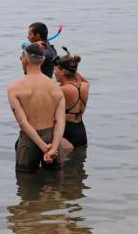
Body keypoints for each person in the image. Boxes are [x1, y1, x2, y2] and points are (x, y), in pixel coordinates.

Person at [7, 43, 66, 172]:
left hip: (29, 140)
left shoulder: (14, 88)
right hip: (52, 139)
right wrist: (53, 148)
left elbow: (23, 122)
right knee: (55, 185)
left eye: (22, 57)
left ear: (26, 59)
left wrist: (43, 147)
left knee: (26, 186)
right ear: (43, 60)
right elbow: (60, 122)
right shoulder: (56, 87)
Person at [53, 48, 90, 149]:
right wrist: (73, 69)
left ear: (63, 71)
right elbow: (82, 79)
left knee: (64, 164)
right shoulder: (85, 86)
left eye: (55, 70)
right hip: (81, 131)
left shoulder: (60, 89)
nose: (54, 73)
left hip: (66, 132)